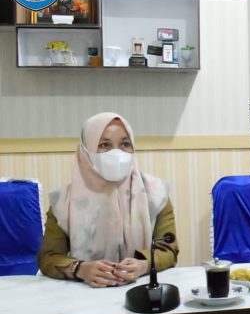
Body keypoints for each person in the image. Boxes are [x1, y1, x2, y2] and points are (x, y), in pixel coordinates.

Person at [38, 113, 178, 287]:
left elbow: (169, 250)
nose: (116, 153)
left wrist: (144, 264)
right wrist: (80, 269)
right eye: (105, 145)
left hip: (141, 289)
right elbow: (48, 257)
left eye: (125, 144)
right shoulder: (63, 202)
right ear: (86, 150)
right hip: (86, 292)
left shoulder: (156, 193)